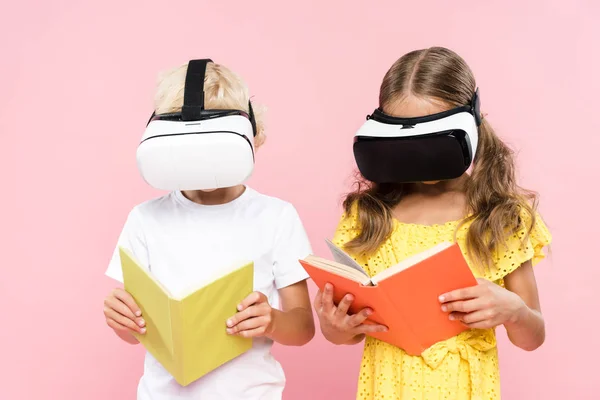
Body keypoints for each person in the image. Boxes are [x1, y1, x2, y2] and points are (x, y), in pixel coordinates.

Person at [314, 47, 551, 399]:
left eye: (433, 144)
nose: (420, 158)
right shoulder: (367, 215)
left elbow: (532, 337)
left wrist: (514, 311)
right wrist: (335, 325)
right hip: (387, 388)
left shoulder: (501, 216)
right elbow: (345, 334)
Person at [102, 60, 315, 400]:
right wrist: (122, 321)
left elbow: (303, 327)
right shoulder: (144, 219)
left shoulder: (276, 217)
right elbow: (134, 333)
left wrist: (271, 320)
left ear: (250, 137)